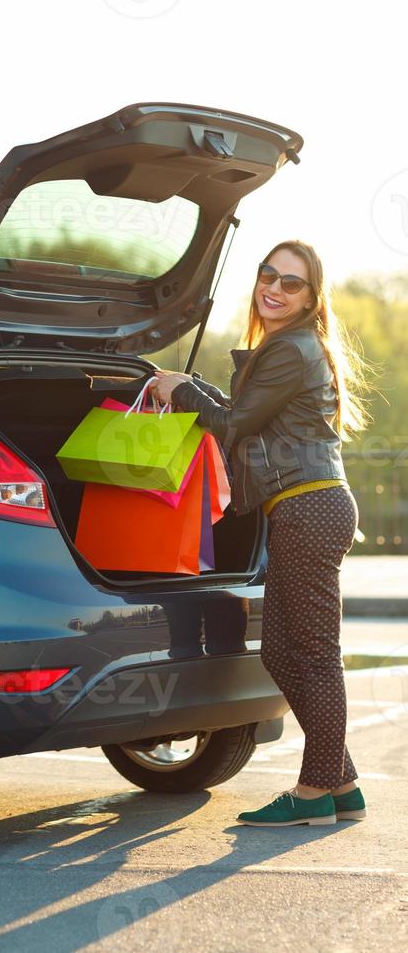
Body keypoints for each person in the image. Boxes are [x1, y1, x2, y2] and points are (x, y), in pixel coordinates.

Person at [149, 239, 373, 828]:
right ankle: (341, 781)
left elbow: (231, 423)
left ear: (310, 296)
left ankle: (312, 793)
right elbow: (246, 417)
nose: (274, 287)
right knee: (280, 652)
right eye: (267, 274)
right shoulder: (289, 348)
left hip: (310, 509)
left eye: (291, 282)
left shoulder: (292, 349)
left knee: (316, 657)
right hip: (302, 508)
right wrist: (188, 387)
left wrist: (184, 390)